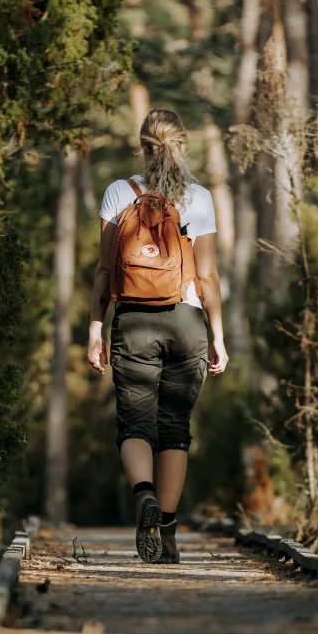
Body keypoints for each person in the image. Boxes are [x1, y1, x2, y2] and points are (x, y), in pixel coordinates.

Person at [86, 109, 228, 564]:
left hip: (132, 320)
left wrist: (94, 329)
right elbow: (207, 277)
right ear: (182, 145)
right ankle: (166, 535)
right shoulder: (199, 198)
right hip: (187, 323)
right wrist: (218, 336)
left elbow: (105, 271)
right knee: (175, 431)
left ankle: (143, 495)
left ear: (142, 146)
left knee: (135, 424)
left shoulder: (117, 193)